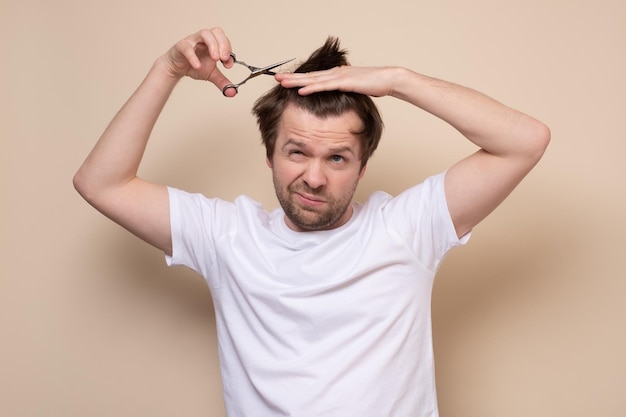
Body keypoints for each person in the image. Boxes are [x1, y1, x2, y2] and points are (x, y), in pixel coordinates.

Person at [74, 27, 550, 417]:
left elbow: (525, 140)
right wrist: (168, 69)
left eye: (338, 158)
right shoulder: (228, 237)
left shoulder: (406, 228)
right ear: (270, 155)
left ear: (363, 166)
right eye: (297, 152)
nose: (314, 177)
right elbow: (102, 183)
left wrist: (397, 80)